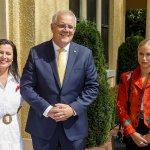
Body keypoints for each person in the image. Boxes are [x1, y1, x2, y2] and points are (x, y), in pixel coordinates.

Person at [20, 10, 99, 150]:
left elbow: (92, 87)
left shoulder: (85, 54)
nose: (66, 30)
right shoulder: (36, 53)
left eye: (70, 27)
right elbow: (26, 87)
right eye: (62, 25)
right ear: (52, 27)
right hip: (43, 127)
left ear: (74, 29)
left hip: (74, 127)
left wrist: (73, 108)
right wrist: (48, 109)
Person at [117, 39, 150, 150]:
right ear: (137, 54)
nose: (144, 58)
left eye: (148, 54)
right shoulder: (126, 78)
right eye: (141, 54)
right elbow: (121, 107)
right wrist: (131, 132)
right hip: (132, 127)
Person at [0, 39, 24, 150]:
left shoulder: (18, 80)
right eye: (1, 52)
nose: (4, 56)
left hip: (13, 130)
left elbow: (19, 105)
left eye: (8, 53)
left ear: (13, 57)